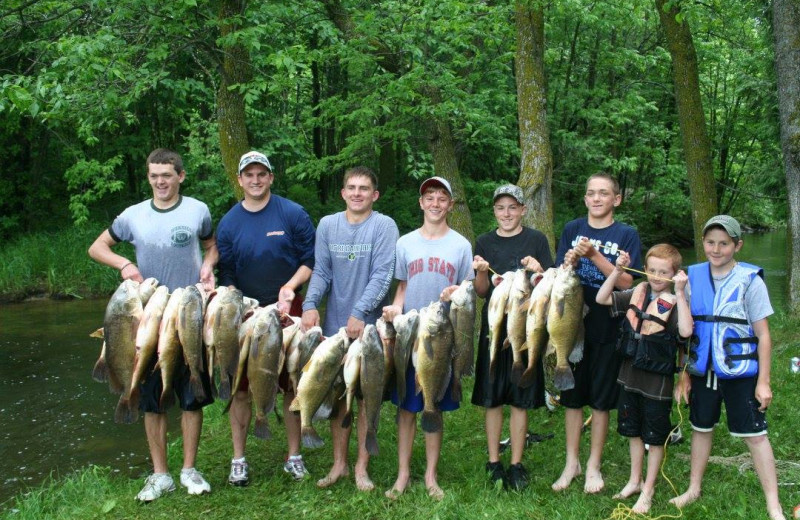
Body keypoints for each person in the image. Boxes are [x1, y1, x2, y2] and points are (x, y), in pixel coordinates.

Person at [88, 148, 218, 502]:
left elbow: (211, 244)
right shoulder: (133, 216)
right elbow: (97, 247)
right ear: (148, 178)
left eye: (167, 174)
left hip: (189, 312)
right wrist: (123, 265)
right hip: (146, 318)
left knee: (192, 396)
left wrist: (208, 265)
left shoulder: (198, 210)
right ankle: (160, 475)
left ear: (181, 176)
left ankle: (189, 469)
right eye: (154, 175)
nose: (160, 181)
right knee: (150, 400)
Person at [670, 216, 785, 520]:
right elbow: (687, 332)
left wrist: (764, 381)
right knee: (700, 427)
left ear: (737, 245)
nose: (716, 249)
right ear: (703, 244)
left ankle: (773, 504)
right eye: (710, 243)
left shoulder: (751, 281)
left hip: (740, 372)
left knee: (755, 435)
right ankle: (693, 488)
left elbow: (763, 335)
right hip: (703, 369)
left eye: (724, 243)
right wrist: (683, 375)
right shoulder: (691, 278)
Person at [216, 151, 316, 486]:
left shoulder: (292, 213)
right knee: (241, 387)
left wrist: (290, 287)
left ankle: (294, 456)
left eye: (262, 174)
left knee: (292, 383)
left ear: (271, 177)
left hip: (289, 311)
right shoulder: (229, 222)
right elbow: (226, 272)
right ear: (240, 180)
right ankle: (239, 459)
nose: (256, 180)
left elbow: (309, 261)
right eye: (249, 175)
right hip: (247, 315)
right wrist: (241, 304)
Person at [300, 166, 399, 491]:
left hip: (371, 330)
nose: (357, 193)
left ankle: (361, 468)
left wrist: (361, 312)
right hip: (334, 329)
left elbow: (384, 274)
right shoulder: (328, 225)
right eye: (352, 187)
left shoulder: (384, 226)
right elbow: (322, 270)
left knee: (366, 397)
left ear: (375, 195)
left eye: (364, 188)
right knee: (338, 397)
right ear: (343, 193)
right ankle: (339, 464)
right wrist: (310, 304)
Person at [382, 176, 474, 501]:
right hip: (410, 337)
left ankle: (431, 476)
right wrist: (394, 308)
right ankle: (403, 474)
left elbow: (468, 292)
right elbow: (402, 288)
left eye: (441, 198)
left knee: (432, 405)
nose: (435, 203)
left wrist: (458, 290)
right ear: (421, 203)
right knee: (406, 409)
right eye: (429, 197)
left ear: (450, 204)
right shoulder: (405, 243)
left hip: (441, 337)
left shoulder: (461, 245)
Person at [552, 172, 642, 494]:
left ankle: (593, 466)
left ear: (616, 199)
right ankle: (571, 462)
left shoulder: (627, 235)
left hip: (608, 325)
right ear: (585, 198)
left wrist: (595, 256)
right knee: (572, 397)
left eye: (604, 193)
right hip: (571, 325)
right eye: (591, 193)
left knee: (601, 400)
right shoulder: (572, 229)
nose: (597, 198)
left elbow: (627, 283)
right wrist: (569, 261)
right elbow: (561, 273)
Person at [596, 244, 692, 514]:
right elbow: (602, 298)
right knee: (633, 431)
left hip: (656, 383)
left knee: (655, 436)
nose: (656, 276)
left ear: (675, 275)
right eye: (651, 270)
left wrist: (681, 294)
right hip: (629, 375)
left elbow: (685, 331)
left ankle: (648, 489)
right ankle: (634, 480)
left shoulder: (675, 301)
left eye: (664, 272)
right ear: (645, 269)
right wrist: (616, 271)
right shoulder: (637, 291)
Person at [471, 184, 553, 491]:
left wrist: (539, 268)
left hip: (526, 327)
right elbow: (481, 291)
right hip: (494, 328)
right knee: (492, 398)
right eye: (500, 208)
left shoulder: (536, 240)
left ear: (522, 209)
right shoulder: (484, 241)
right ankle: (494, 461)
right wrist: (480, 271)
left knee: (520, 398)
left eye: (512, 207)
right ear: (494, 211)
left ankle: (517, 463)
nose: (507, 213)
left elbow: (547, 284)